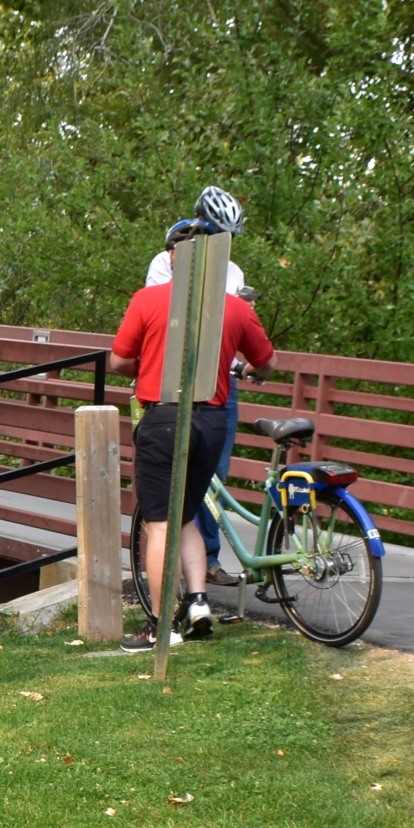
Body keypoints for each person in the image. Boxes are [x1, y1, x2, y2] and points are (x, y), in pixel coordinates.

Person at [109, 197, 274, 649]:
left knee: (158, 523)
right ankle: (198, 601)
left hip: (164, 416)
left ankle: (161, 628)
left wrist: (151, 360)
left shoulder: (148, 299)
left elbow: (119, 360)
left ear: (173, 256)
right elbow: (266, 362)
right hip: (214, 418)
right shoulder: (235, 308)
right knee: (185, 515)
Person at [140, 243, 254, 585]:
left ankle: (203, 570)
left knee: (196, 492)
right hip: (175, 387)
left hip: (208, 389)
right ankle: (196, 598)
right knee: (180, 504)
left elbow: (122, 357)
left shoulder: (233, 273)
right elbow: (172, 320)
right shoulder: (162, 266)